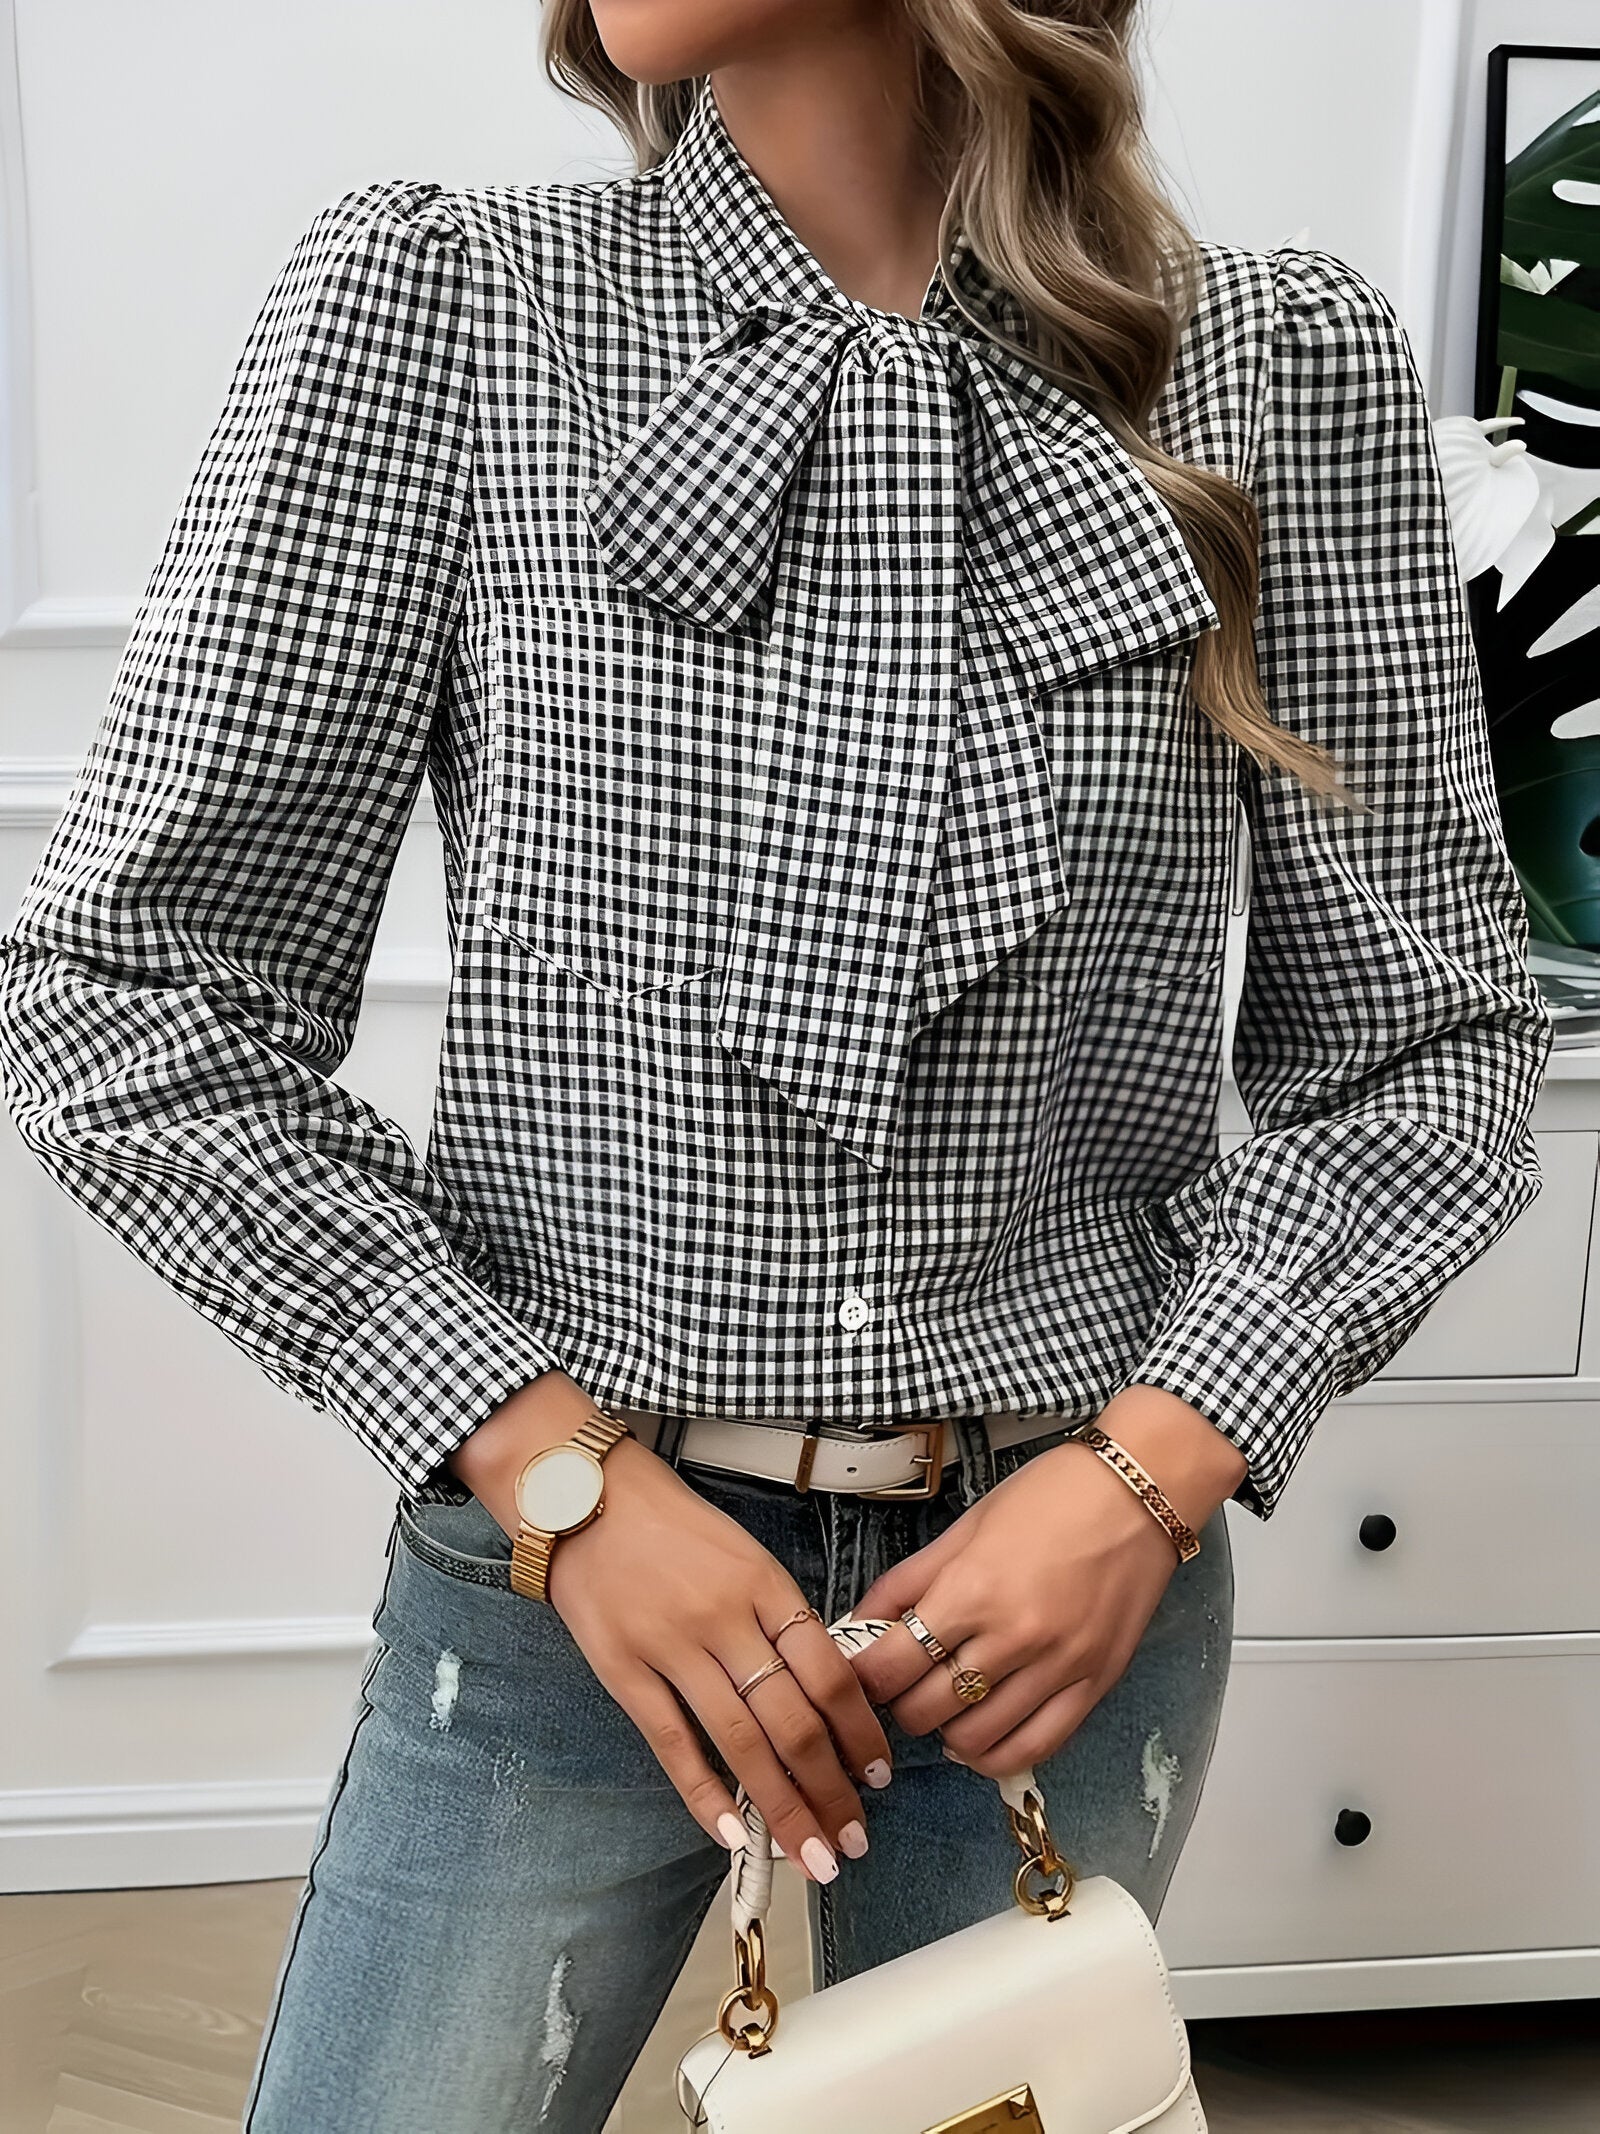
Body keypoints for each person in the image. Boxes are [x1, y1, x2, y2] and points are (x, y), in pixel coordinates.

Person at [0, 3, 1553, 2128]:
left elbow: (1430, 1042)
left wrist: (1151, 1468)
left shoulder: (1274, 363)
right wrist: (551, 1469)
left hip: (1053, 1598)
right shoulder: (447, 312)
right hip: (563, 1577)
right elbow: (126, 990)